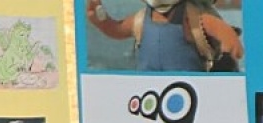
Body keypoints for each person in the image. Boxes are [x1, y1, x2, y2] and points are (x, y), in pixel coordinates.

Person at [84, 0, 243, 72]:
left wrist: (226, 61)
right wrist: (101, 19)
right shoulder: (140, 19)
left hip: (190, 93)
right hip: (147, 95)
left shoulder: (193, 18)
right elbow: (117, 30)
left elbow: (231, 41)